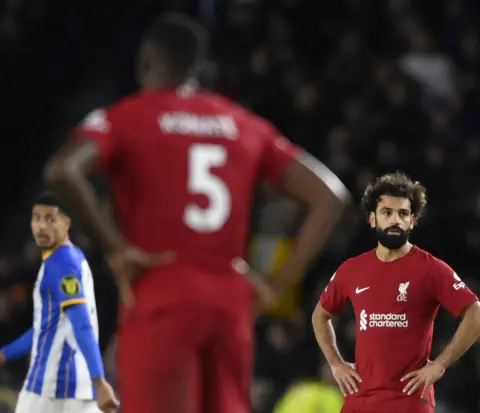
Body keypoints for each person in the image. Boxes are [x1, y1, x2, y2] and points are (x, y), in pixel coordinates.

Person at [44, 12, 350, 413]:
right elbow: (331, 196)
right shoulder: (244, 124)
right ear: (199, 70)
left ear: (145, 63)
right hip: (229, 302)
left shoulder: (130, 115)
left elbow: (63, 171)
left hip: (161, 291)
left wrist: (116, 247)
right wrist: (276, 285)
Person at [312, 172, 480, 413]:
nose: (395, 220)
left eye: (403, 214)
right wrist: (336, 363)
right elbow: (320, 315)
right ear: (372, 219)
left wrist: (440, 364)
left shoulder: (430, 269)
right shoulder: (352, 270)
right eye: (387, 212)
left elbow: (478, 316)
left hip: (407, 402)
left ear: (412, 221)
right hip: (360, 401)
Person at [0, 192, 118, 413]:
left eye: (50, 219)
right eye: (37, 219)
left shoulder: (64, 265)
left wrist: (99, 381)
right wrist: (7, 353)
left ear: (66, 223)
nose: (42, 226)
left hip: (61, 386)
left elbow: (80, 323)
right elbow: (48, 326)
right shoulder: (59, 260)